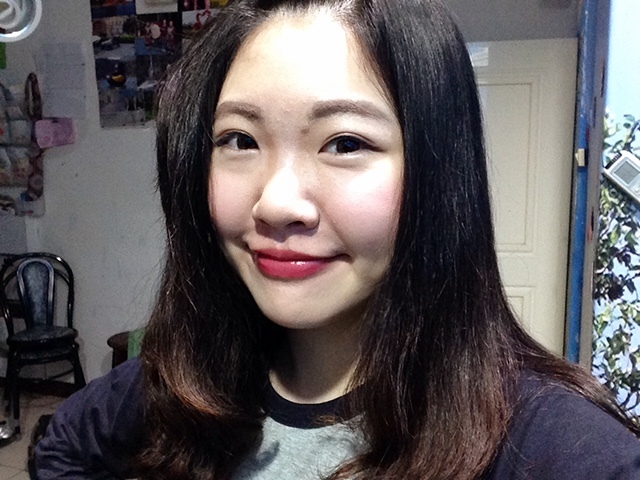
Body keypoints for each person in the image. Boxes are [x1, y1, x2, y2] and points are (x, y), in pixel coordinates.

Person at [36, 0, 640, 479]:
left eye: (345, 143)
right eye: (240, 140)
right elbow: (62, 444)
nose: (276, 204)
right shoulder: (193, 375)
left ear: (438, 174)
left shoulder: (557, 446)